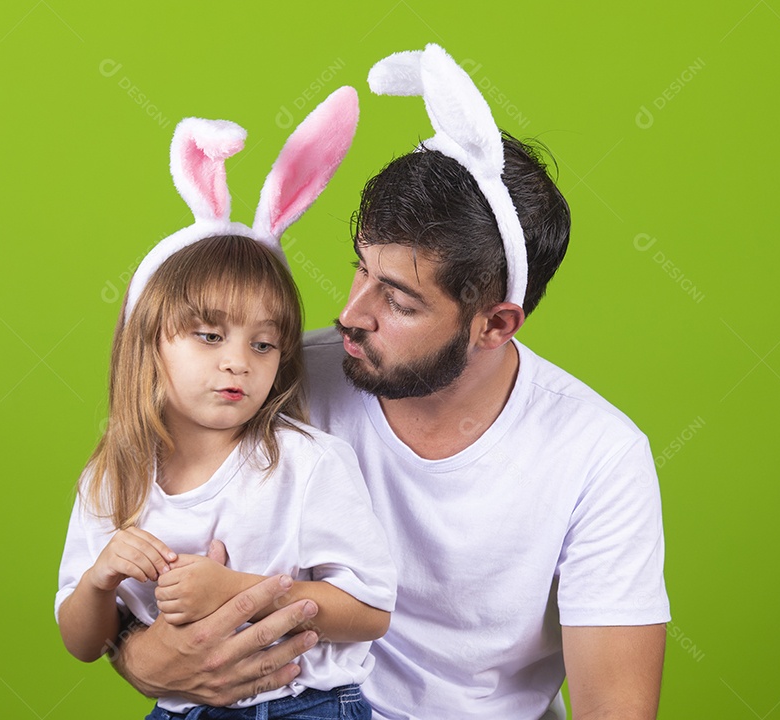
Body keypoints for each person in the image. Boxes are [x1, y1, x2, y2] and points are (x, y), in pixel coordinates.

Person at [112, 45, 669, 719]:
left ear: (494, 324)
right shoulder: (278, 380)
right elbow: (139, 547)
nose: (351, 314)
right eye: (360, 270)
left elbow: (616, 709)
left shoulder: (597, 455)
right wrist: (144, 658)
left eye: (399, 301)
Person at [56, 89, 397, 720]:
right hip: (182, 709)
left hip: (307, 706)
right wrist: (101, 577)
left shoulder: (307, 463)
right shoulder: (111, 479)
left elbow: (370, 611)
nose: (238, 361)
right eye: (209, 335)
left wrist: (238, 592)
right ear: (147, 342)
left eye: (263, 344)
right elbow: (83, 643)